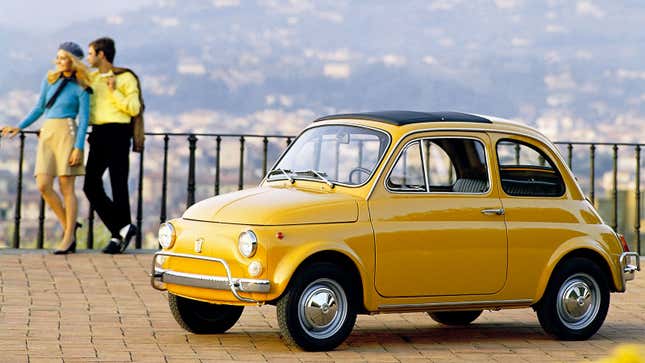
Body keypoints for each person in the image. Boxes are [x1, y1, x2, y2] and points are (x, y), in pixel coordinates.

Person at [1, 42, 91, 254]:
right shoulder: (49, 80)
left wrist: (78, 148)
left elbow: (84, 120)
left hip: (67, 133)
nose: (58, 61)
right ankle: (68, 225)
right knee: (43, 184)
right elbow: (40, 107)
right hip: (48, 133)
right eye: (57, 57)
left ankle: (68, 237)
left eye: (63, 58)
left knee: (66, 187)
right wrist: (19, 126)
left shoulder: (82, 87)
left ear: (73, 61)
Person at [84, 37, 141, 254]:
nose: (88, 58)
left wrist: (113, 91)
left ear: (101, 54)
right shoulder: (91, 78)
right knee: (90, 184)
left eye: (91, 53)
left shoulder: (125, 77)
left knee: (118, 184)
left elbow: (134, 108)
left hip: (118, 132)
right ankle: (122, 227)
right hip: (98, 133)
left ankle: (118, 236)